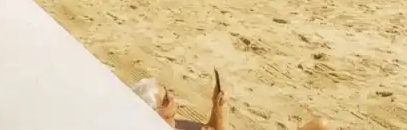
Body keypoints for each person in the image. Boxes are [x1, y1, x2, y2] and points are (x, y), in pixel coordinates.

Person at [131, 72, 328, 130]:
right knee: (320, 126)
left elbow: (209, 127)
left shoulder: (172, 121)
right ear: (154, 113)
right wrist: (219, 113)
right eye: (166, 99)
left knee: (320, 124)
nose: (172, 98)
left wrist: (216, 106)